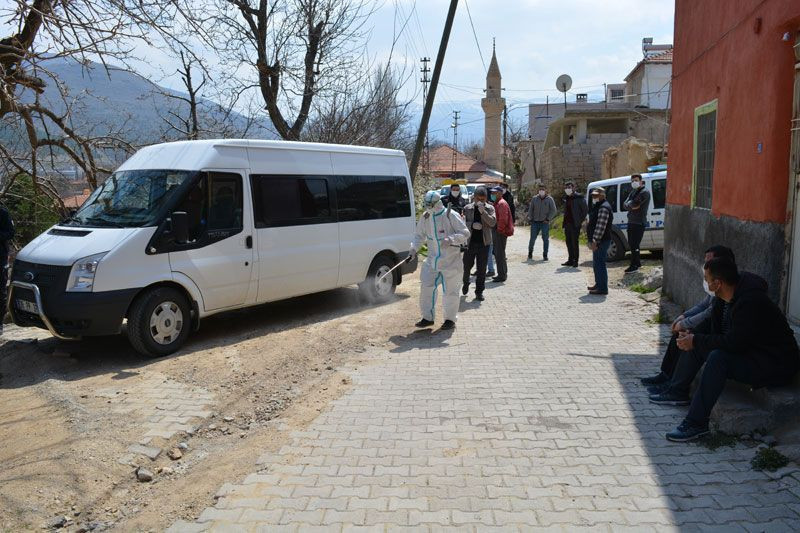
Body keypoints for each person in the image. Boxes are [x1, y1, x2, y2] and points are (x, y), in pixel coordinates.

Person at [652, 257, 800, 442]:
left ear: (717, 283)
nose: (705, 283)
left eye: (707, 279)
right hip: (751, 352)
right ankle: (677, 390)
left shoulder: (750, 302)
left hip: (775, 363)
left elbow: (734, 343)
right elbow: (714, 330)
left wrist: (697, 340)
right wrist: (691, 336)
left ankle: (696, 423)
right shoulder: (724, 297)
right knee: (699, 342)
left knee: (717, 358)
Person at [641, 245, 738, 391]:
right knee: (681, 334)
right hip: (713, 330)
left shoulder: (725, 285)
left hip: (719, 334)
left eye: (709, 261)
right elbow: (703, 305)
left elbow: (710, 312)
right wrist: (683, 317)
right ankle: (667, 376)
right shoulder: (714, 283)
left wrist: (685, 324)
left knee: (689, 337)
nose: (705, 266)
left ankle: (676, 388)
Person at [411, 191, 470, 331]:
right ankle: (427, 318)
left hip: (450, 261)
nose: (427, 207)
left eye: (430, 204)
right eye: (426, 204)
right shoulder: (426, 217)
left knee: (451, 291)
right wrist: (413, 249)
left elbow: (465, 233)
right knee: (426, 287)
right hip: (432, 260)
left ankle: (449, 320)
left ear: (437, 203)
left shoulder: (450, 215)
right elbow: (419, 236)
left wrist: (451, 239)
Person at [462, 187, 496, 301]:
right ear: (474, 197)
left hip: (484, 243)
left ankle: (479, 292)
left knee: (481, 269)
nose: (480, 201)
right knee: (466, 267)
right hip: (470, 242)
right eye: (478, 199)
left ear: (486, 198)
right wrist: (471, 225)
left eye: (483, 199)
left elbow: (492, 222)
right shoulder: (467, 208)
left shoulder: (490, 208)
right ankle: (465, 282)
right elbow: (462, 224)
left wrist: (483, 212)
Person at [586, 187, 613, 295]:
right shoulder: (598, 206)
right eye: (593, 196)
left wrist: (595, 241)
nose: (594, 197)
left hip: (601, 240)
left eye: (596, 195)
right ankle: (598, 284)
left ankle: (602, 288)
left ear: (602, 195)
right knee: (596, 263)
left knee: (600, 264)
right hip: (598, 240)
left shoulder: (604, 207)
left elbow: (600, 226)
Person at [622, 174, 651, 273]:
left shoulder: (644, 192)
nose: (634, 182)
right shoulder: (633, 191)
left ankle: (633, 265)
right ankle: (637, 263)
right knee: (632, 244)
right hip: (631, 221)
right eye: (632, 181)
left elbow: (635, 205)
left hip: (639, 222)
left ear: (641, 181)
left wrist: (629, 204)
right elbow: (625, 204)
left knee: (634, 244)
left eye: (636, 180)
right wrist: (629, 205)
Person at [561, 182, 588, 268]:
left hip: (575, 224)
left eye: (569, 187)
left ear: (574, 188)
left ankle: (576, 261)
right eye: (566, 187)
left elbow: (585, 210)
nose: (567, 189)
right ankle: (570, 260)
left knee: (574, 243)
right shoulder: (567, 198)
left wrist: (579, 220)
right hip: (567, 224)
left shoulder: (579, 198)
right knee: (568, 242)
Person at [527, 184, 557, 261]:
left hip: (544, 223)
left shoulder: (550, 199)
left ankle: (545, 254)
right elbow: (530, 209)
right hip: (535, 222)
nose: (541, 191)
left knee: (545, 239)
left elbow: (553, 211)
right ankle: (530, 252)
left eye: (543, 189)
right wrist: (530, 218)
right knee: (532, 238)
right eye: (540, 189)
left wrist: (548, 219)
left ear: (546, 190)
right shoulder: (534, 199)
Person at [490, 186, 513, 283]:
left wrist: (499, 230)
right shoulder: (498, 203)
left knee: (499, 254)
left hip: (500, 232)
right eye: (492, 193)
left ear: (500, 193)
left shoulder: (501, 204)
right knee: (499, 253)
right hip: (498, 231)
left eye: (495, 193)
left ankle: (502, 275)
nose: (492, 195)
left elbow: (503, 219)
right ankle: (502, 273)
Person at [0, 204, 13, 335]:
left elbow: (10, 232)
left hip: (0, 258)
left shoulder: (3, 212)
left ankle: (0, 323)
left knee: (1, 292)